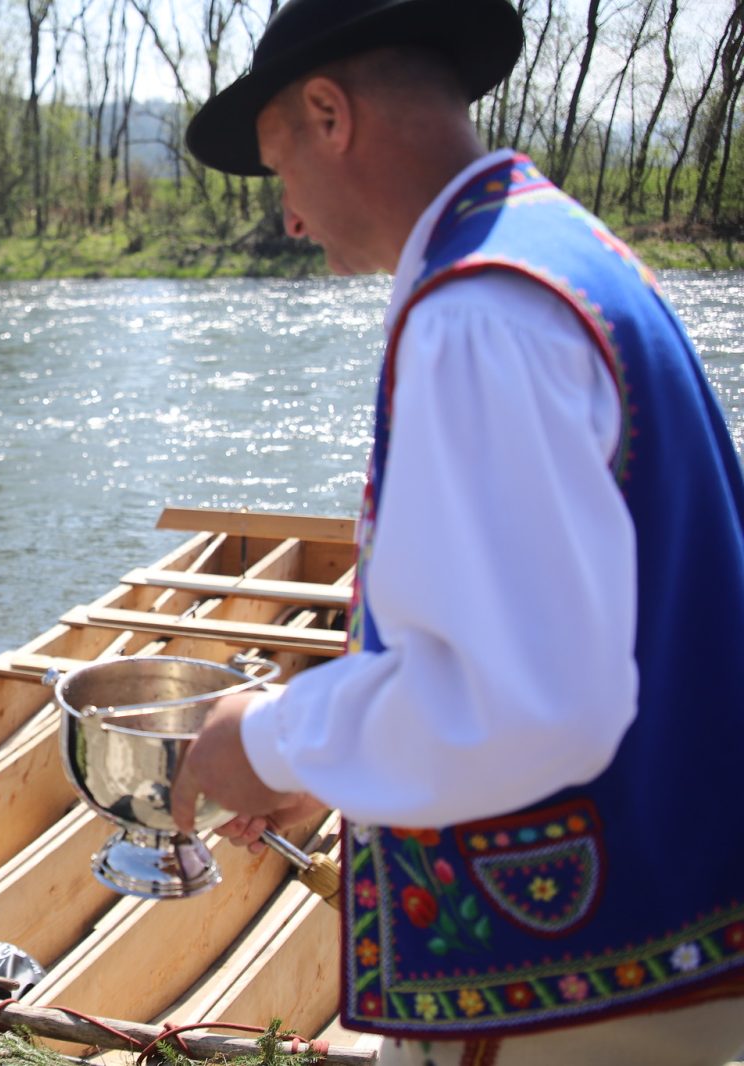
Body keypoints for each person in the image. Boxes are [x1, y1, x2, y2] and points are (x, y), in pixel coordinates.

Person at [169, 1, 744, 1063]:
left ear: (329, 112)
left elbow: (515, 703)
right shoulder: (564, 253)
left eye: (278, 166)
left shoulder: (474, 311)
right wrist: (337, 767)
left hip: (566, 1006)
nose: (288, 217)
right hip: (667, 943)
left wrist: (260, 739)